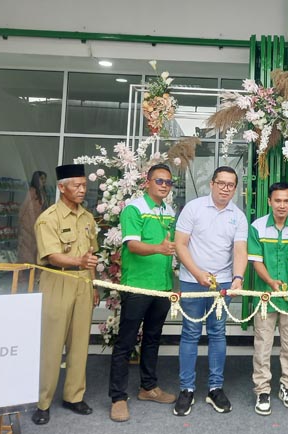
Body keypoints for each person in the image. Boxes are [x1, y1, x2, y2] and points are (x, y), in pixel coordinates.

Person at [173, 166, 248, 416]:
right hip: (192, 280)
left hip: (223, 283)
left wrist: (238, 277)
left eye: (231, 185)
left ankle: (215, 388)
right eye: (221, 183)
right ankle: (187, 389)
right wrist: (196, 272)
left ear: (235, 188)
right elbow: (180, 245)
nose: (226, 188)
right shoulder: (193, 208)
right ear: (212, 184)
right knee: (190, 332)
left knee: (217, 333)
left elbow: (239, 250)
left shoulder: (238, 216)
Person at [108, 164, 178, 422]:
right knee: (126, 342)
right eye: (159, 180)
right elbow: (133, 245)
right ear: (147, 182)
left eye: (168, 182)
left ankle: (148, 388)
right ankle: (117, 397)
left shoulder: (169, 211)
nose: (164, 185)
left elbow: (172, 245)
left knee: (152, 338)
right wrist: (159, 249)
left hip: (161, 285)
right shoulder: (134, 208)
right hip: (137, 285)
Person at [31, 164, 99, 425]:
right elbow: (51, 255)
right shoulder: (48, 218)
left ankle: (73, 396)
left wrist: (94, 285)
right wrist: (79, 262)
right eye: (77, 186)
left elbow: (90, 257)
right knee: (51, 345)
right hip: (57, 281)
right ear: (62, 187)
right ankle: (43, 401)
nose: (82, 190)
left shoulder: (88, 218)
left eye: (84, 185)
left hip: (83, 284)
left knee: (80, 344)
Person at [248, 182, 288, 416]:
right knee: (262, 345)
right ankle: (262, 390)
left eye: (286, 201)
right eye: (277, 200)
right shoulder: (256, 227)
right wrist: (271, 282)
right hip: (266, 297)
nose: (282, 205)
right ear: (269, 201)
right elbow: (256, 261)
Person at [18, 171, 50, 264]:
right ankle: (21, 275)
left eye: (45, 179)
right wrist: (21, 222)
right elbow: (24, 207)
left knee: (36, 248)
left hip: (37, 224)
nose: (44, 181)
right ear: (37, 179)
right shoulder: (32, 191)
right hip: (28, 224)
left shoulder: (43, 192)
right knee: (26, 248)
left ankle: (34, 271)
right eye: (42, 179)